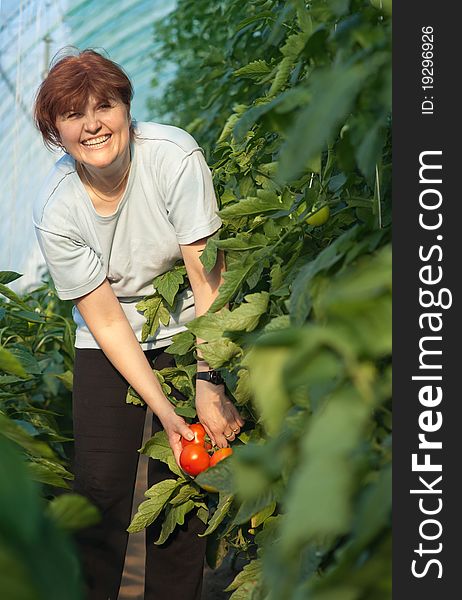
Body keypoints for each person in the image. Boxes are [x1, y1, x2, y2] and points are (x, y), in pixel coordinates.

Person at [32, 48, 244, 600]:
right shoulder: (58, 208)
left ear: (127, 107)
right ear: (56, 129)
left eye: (105, 105)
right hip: (111, 338)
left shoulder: (172, 157)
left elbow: (205, 280)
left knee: (184, 483)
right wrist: (166, 413)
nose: (93, 124)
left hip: (190, 323)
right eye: (74, 115)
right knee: (101, 486)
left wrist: (209, 381)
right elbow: (105, 319)